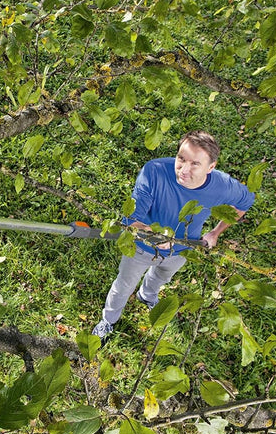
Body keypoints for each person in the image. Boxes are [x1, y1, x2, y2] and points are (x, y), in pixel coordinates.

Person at [92, 130, 255, 343]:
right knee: (124, 285)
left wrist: (215, 232)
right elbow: (131, 219)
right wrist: (153, 234)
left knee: (162, 276)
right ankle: (108, 320)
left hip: (183, 247)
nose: (184, 170)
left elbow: (245, 201)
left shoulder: (222, 186)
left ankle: (147, 295)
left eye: (195, 164)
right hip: (142, 247)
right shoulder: (154, 171)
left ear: (211, 167)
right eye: (181, 159)